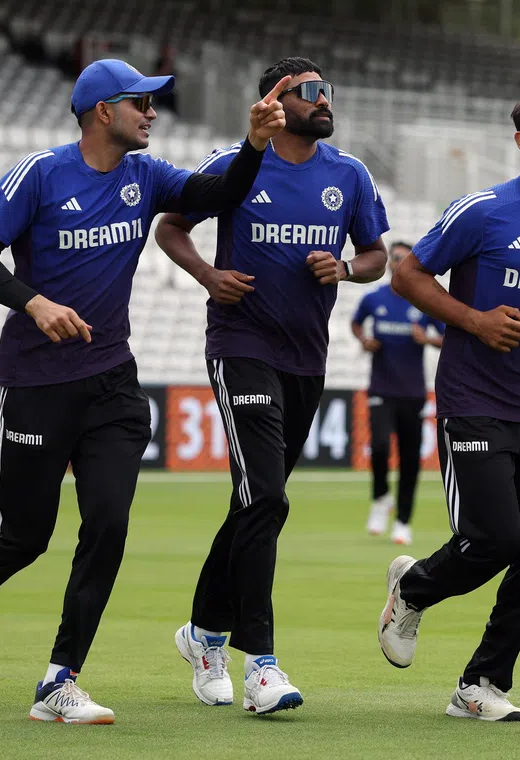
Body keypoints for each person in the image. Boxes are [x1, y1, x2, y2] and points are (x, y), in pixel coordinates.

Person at [0, 58, 288, 724]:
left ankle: (59, 682)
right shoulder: (40, 173)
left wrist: (257, 144)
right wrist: (35, 303)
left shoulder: (145, 176)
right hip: (37, 383)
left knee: (109, 525)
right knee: (24, 536)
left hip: (113, 387)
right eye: (141, 103)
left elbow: (216, 196)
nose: (153, 113)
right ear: (104, 111)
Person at [154, 57, 389, 715]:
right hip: (241, 348)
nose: (325, 101)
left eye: (328, 91)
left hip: (307, 360)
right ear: (276, 102)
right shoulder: (234, 162)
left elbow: (378, 256)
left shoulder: (349, 174)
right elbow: (172, 225)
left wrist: (344, 266)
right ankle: (261, 664)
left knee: (255, 501)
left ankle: (202, 633)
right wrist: (207, 275)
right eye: (310, 91)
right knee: (267, 498)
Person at [376, 91, 520, 722]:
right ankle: (414, 588)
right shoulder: (482, 212)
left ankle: (480, 684)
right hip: (474, 400)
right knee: (496, 538)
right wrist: (476, 321)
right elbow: (406, 276)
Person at [352, 242, 444, 545]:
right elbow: (356, 323)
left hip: (413, 392)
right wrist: (364, 340)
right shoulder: (373, 299)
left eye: (404, 258)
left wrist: (427, 339)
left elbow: (449, 337)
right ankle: (380, 498)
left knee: (409, 459)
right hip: (381, 387)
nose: (397, 262)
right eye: (395, 257)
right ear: (390, 262)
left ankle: (403, 521)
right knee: (378, 447)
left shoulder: (423, 302)